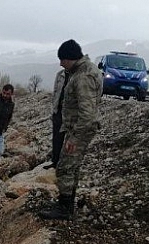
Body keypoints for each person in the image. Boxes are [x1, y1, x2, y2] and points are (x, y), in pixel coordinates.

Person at [40, 39, 103, 221]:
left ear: (71, 58)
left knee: (65, 167)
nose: (61, 64)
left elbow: (87, 113)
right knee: (72, 167)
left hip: (79, 130)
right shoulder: (85, 70)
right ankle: (66, 203)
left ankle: (65, 208)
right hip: (77, 128)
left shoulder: (83, 77)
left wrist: (74, 138)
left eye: (62, 60)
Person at [46, 68, 69, 169]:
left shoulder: (79, 75)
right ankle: (55, 162)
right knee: (56, 139)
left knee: (70, 140)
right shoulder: (60, 74)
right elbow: (55, 92)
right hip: (58, 111)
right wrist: (54, 109)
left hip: (70, 113)